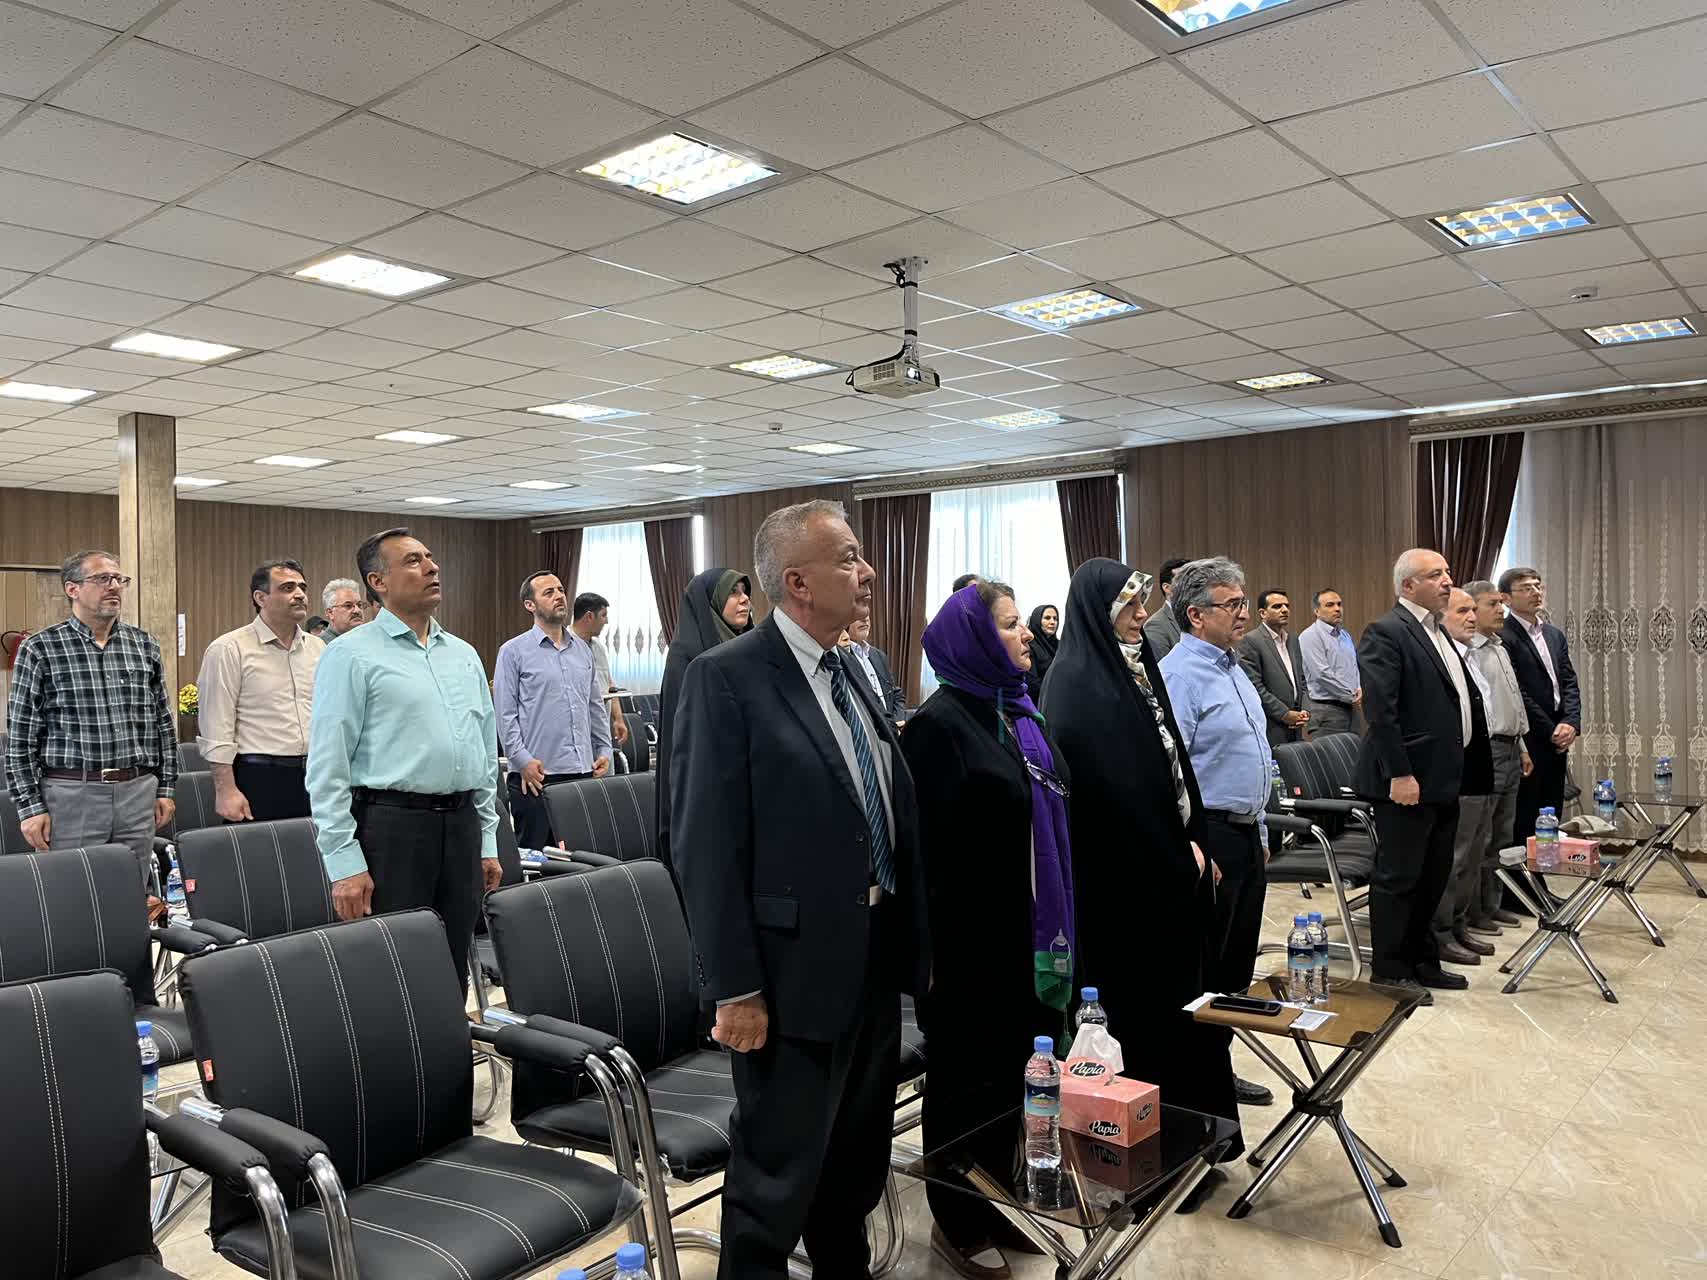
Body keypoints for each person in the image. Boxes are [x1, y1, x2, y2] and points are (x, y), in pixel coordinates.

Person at [671, 499, 928, 1280]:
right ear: (798, 582)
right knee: (776, 1180)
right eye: (848, 557)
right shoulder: (727, 678)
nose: (868, 571)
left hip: (869, 957)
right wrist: (735, 987)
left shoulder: (852, 667)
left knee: (854, 1165)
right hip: (784, 976)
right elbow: (704, 846)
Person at [1040, 559, 1238, 1196]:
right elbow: (1110, 802)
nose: (1141, 614)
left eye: (1142, 601)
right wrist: (1177, 855)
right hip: (1126, 891)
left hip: (1172, 873)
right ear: (1098, 610)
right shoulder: (1075, 684)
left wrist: (1196, 839)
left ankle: (1201, 1138)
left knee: (1187, 1013)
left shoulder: (1136, 669)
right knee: (1148, 1023)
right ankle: (1158, 1160)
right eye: (1128, 604)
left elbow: (1174, 765)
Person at [904, 581, 1074, 1278]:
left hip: (1026, 933)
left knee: (1013, 1081)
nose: (1026, 633)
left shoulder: (1017, 712)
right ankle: (956, 1220)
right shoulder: (940, 726)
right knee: (963, 1088)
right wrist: (929, 957)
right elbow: (924, 859)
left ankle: (997, 1201)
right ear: (973, 640)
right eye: (1008, 625)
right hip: (969, 949)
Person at [307, 528, 501, 991]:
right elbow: (328, 766)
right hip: (392, 828)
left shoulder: (463, 654)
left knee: (450, 967)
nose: (432, 567)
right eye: (414, 561)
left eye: (430, 557)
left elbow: (483, 755)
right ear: (378, 582)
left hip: (461, 826)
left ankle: (446, 1040)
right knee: (392, 969)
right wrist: (344, 862)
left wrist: (487, 839)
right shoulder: (350, 654)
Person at [1160, 559, 1277, 1116]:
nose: (1243, 613)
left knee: (1236, 966)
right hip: (1211, 841)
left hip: (1246, 834)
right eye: (1231, 604)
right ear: (1196, 615)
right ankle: (1198, 1080)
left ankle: (1219, 1068)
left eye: (1243, 601)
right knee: (1207, 968)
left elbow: (1254, 751)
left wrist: (1261, 826)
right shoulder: (1179, 675)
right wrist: (1193, 843)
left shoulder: (1233, 667)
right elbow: (1170, 772)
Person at [1355, 550, 1491, 1002]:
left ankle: (1423, 961)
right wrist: (1400, 773)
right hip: (1407, 781)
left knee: (1433, 876)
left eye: (1447, 572)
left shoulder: (1438, 630)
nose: (1448, 581)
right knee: (1400, 878)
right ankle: (1390, 971)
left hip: (1443, 779)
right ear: (1408, 585)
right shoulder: (1387, 631)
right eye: (1436, 575)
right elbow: (1382, 710)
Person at [4, 549, 177, 891]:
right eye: (101, 579)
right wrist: (30, 807)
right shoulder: (41, 648)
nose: (114, 586)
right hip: (72, 795)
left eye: (119, 579)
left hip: (137, 793)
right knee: (72, 896)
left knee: (132, 895)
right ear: (72, 589)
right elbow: (20, 737)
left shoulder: (143, 645)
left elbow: (162, 724)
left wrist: (166, 788)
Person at [493, 571, 612, 849]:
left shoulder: (583, 650)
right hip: (536, 777)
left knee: (583, 859)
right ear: (530, 605)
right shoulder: (513, 652)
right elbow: (505, 715)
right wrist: (522, 761)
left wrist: (605, 750)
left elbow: (594, 706)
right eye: (549, 592)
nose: (559, 596)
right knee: (539, 863)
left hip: (583, 774)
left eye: (560, 590)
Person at [197, 560, 323, 823]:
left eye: (302, 587)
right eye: (287, 588)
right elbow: (216, 727)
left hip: (315, 774)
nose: (299, 594)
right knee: (260, 850)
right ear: (260, 598)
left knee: (313, 849)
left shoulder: (318, 648)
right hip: (259, 776)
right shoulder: (229, 649)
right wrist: (225, 790)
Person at [658, 568, 753, 872]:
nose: (744, 599)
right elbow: (682, 740)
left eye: (745, 591)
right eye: (733, 592)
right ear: (710, 603)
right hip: (708, 788)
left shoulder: (752, 649)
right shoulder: (685, 656)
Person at [1431, 589, 1498, 967]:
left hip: (1480, 766)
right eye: (1462, 611)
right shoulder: (1443, 657)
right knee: (1454, 857)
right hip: (1457, 769)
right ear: (1441, 618)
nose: (1472, 617)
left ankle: (1459, 923)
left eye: (1474, 610)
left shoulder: (1471, 656)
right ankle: (1441, 932)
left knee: (1475, 852)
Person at [1464, 580, 1533, 932]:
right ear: (1472, 609)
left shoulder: (1499, 647)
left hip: (1510, 746)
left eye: (1500, 603)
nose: (1500, 609)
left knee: (1503, 835)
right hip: (1488, 749)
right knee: (1482, 835)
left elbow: (1512, 703)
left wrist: (1522, 747)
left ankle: (1493, 904)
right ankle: (1473, 911)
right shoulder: (1469, 652)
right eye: (1492, 604)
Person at [1500, 567, 1580, 849]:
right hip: (1530, 738)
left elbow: (1569, 681)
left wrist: (1571, 722)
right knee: (1526, 815)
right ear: (1506, 598)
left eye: (1538, 586)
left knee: (1551, 811)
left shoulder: (1553, 635)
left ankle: (1545, 872)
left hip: (1559, 735)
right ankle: (1523, 877)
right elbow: (1517, 692)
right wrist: (1551, 730)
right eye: (1526, 588)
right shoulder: (1503, 636)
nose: (1536, 592)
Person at [1239, 588, 1309, 747]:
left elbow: (1302, 680)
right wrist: (1284, 714)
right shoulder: (1251, 641)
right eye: (1277, 606)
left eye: (1287, 606)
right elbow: (1254, 687)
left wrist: (1304, 711)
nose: (1284, 610)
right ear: (1262, 613)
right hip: (1271, 725)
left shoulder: (1293, 639)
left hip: (1296, 724)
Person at [1300, 588, 1362, 735]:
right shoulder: (1310, 635)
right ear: (1316, 611)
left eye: (1339, 604)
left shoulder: (1344, 635)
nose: (1337, 609)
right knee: (1331, 751)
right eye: (1330, 605)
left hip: (1350, 707)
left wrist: (1358, 688)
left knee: (1353, 749)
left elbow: (1353, 666)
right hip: (1327, 710)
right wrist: (1351, 695)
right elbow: (1322, 674)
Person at [842, 617, 905, 721]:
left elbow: (896, 694)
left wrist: (897, 722)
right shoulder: (841, 658)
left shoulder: (878, 655)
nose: (864, 619)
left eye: (867, 614)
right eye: (858, 614)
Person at [1141, 557, 1189, 659]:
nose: (1191, 586)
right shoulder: (1155, 625)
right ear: (1167, 588)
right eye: (1184, 581)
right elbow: (1158, 667)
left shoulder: (1202, 617)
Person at [1025, 603, 1059, 702]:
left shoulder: (1060, 645)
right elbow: (1032, 684)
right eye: (1047, 618)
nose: (1052, 622)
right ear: (1037, 620)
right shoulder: (1030, 647)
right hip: (1041, 702)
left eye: (1055, 619)